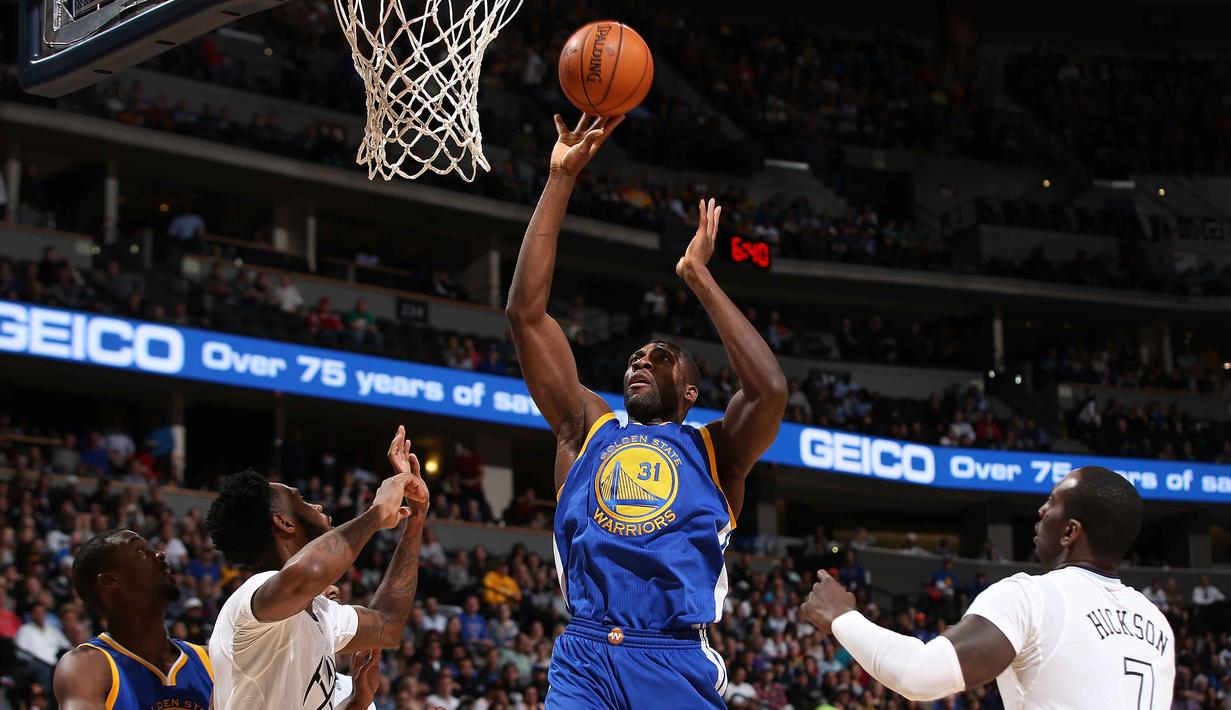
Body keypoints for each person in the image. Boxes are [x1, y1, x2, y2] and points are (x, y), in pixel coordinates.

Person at [505, 113, 787, 709]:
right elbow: (526, 316)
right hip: (585, 657)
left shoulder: (716, 451)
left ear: (691, 391)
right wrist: (560, 178)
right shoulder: (588, 429)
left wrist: (698, 276)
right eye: (637, 356)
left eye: (661, 359)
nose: (641, 362)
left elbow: (769, 390)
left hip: (674, 656)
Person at [801, 466, 1175, 708]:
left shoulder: (1033, 597)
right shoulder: (1158, 623)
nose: (1041, 511)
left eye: (1052, 502)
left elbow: (920, 675)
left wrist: (841, 617)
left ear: (1070, 531)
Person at [206, 426, 430, 709]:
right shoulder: (247, 600)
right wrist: (376, 513)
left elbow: (389, 625)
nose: (318, 506)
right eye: (301, 500)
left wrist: (417, 519)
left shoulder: (323, 614)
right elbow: (305, 574)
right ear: (283, 523)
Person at [52, 530, 213, 709]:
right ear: (110, 580)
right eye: (141, 550)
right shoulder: (87, 666)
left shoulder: (209, 659)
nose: (160, 554)